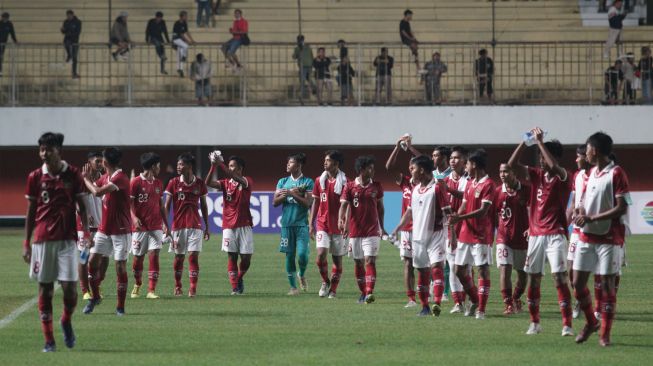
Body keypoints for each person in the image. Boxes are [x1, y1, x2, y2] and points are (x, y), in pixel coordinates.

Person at [24, 132, 88, 352]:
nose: (43, 153)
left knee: (70, 291)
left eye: (48, 149)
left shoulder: (73, 174)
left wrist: (86, 232)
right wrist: (26, 243)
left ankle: (66, 320)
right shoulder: (34, 177)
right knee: (46, 291)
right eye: (41, 149)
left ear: (58, 150)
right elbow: (31, 211)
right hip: (42, 241)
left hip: (67, 241)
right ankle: (49, 340)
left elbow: (82, 204)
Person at [507, 127, 574, 337]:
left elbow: (553, 165)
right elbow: (511, 166)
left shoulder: (564, 176)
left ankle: (567, 325)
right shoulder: (536, 175)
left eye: (543, 157)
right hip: (536, 235)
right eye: (540, 157)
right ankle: (535, 323)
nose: (541, 161)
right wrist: (525, 141)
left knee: (559, 278)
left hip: (555, 233)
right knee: (534, 279)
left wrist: (540, 142)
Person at [572, 132, 630, 347]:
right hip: (587, 235)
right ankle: (591, 322)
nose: (584, 153)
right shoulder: (590, 173)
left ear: (594, 150)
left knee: (606, 287)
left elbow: (622, 207)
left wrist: (592, 217)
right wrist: (579, 211)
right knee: (577, 284)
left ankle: (605, 334)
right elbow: (585, 201)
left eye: (587, 149)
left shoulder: (616, 173)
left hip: (608, 238)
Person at [392, 156, 448, 317]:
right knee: (422, 272)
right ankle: (425, 306)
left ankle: (436, 302)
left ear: (422, 170)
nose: (411, 171)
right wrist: (397, 228)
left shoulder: (437, 188)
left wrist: (452, 234)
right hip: (418, 237)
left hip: (436, 235)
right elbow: (409, 212)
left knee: (436, 268)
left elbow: (447, 212)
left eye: (413, 168)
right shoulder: (415, 189)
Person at [82, 148, 132, 316]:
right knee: (92, 262)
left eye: (102, 159)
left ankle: (120, 307)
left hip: (121, 231)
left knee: (120, 267)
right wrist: (84, 181)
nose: (101, 162)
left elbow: (96, 192)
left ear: (106, 162)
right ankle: (95, 297)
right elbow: (89, 188)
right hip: (104, 230)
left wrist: (85, 179)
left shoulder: (120, 178)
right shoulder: (106, 177)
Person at [449, 149, 495, 320]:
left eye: (467, 163)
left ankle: (481, 310)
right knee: (459, 270)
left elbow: (483, 211)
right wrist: (456, 220)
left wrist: (460, 216)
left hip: (481, 236)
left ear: (474, 164)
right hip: (465, 234)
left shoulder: (488, 184)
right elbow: (464, 204)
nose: (465, 166)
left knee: (482, 270)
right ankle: (475, 299)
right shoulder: (469, 183)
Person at [339, 156, 386, 304]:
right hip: (355, 230)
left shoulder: (377, 186)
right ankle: (363, 292)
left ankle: (369, 292)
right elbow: (344, 206)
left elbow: (380, 208)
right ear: (361, 170)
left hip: (372, 231)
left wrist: (382, 227)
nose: (373, 171)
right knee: (358, 262)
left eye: (373, 168)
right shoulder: (350, 186)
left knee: (369, 260)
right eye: (370, 168)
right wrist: (342, 220)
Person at [205, 154, 253, 295]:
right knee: (232, 256)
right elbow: (208, 182)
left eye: (233, 166)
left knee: (246, 258)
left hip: (245, 224)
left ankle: (239, 278)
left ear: (240, 168)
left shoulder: (246, 181)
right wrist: (214, 165)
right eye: (230, 165)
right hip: (228, 225)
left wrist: (221, 164)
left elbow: (235, 176)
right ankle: (234, 288)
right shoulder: (225, 183)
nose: (230, 168)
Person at [164, 153, 209, 297]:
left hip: (195, 226)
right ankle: (178, 285)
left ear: (189, 166)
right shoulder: (173, 183)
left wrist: (207, 226)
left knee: (193, 256)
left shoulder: (200, 183)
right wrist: (165, 225)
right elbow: (166, 206)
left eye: (181, 164)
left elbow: (204, 206)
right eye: (177, 164)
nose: (178, 167)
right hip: (178, 226)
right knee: (179, 258)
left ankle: (193, 288)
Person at [129, 153, 170, 300]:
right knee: (138, 259)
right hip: (140, 228)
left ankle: (151, 290)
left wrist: (166, 225)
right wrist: (134, 218)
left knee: (154, 255)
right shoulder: (135, 182)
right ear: (153, 166)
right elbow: (128, 204)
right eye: (158, 166)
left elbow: (161, 206)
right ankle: (137, 284)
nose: (160, 168)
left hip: (156, 227)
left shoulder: (159, 183)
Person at [385, 135, 419, 308]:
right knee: (408, 263)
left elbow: (425, 160)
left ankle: (429, 295)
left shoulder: (428, 184)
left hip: (423, 229)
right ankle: (411, 298)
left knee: (423, 265)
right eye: (411, 166)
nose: (413, 169)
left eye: (416, 166)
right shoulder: (405, 182)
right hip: (407, 229)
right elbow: (389, 167)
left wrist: (411, 148)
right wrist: (397, 147)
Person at [274, 154, 315, 295]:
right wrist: (285, 195)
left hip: (302, 225)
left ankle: (301, 274)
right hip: (287, 225)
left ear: (298, 165)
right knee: (289, 256)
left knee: (303, 255)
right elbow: (275, 202)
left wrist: (292, 193)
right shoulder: (282, 182)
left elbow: (308, 203)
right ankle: (293, 288)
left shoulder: (308, 182)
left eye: (290, 163)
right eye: (288, 162)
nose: (287, 165)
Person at [310, 150, 347, 299]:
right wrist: (311, 223)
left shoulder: (345, 182)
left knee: (337, 261)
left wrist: (346, 222)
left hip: (339, 226)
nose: (325, 162)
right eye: (324, 160)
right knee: (320, 255)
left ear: (336, 164)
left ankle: (333, 290)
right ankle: (325, 282)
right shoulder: (319, 180)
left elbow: (348, 204)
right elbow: (316, 202)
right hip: (322, 223)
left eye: (328, 160)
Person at [495, 163, 529, 315]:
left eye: (506, 171)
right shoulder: (498, 192)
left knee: (522, 274)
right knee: (505, 269)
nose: (503, 174)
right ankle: (508, 303)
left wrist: (531, 228)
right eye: (501, 171)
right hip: (504, 238)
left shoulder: (527, 190)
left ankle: (516, 298)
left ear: (514, 173)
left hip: (523, 239)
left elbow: (535, 210)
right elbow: (494, 213)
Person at [441, 146, 471, 314]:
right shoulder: (445, 180)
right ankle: (458, 302)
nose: (453, 160)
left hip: (466, 228)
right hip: (449, 228)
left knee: (466, 268)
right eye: (451, 158)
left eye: (457, 158)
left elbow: (466, 196)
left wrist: (449, 190)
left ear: (465, 161)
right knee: (452, 265)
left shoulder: (469, 180)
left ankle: (469, 300)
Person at [75, 152, 105, 301]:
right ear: (89, 162)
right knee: (84, 257)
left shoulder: (104, 179)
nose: (100, 164)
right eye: (97, 161)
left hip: (102, 226)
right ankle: (85, 290)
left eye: (102, 162)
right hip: (84, 226)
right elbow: (77, 201)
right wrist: (83, 215)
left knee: (103, 259)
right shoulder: (81, 179)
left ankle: (96, 285)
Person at [567, 145, 591, 319]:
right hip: (576, 229)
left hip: (592, 229)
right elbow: (574, 200)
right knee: (570, 269)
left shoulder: (598, 176)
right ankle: (579, 300)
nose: (576, 160)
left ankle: (589, 305)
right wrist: (572, 211)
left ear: (587, 156)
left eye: (578, 156)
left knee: (589, 272)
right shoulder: (577, 176)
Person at [293, 35, 316, 101]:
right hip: (306, 65)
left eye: (299, 40)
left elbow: (295, 56)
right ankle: (313, 88)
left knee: (304, 79)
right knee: (306, 79)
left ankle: (303, 94)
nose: (299, 41)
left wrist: (294, 55)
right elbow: (311, 56)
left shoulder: (302, 47)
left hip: (305, 65)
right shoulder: (303, 48)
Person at [172, 11, 195, 78]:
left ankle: (180, 69)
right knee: (186, 46)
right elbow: (181, 34)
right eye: (185, 16)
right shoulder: (177, 23)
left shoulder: (184, 23)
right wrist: (188, 41)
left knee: (180, 55)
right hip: (176, 39)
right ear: (181, 16)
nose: (186, 17)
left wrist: (192, 40)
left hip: (181, 40)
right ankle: (184, 57)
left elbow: (186, 32)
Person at [61, 10, 81, 79]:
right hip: (68, 40)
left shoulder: (78, 22)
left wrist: (69, 33)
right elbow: (64, 31)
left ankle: (74, 73)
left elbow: (77, 32)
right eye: (67, 16)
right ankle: (69, 55)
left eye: (69, 16)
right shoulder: (66, 22)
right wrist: (62, 30)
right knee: (66, 44)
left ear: (72, 15)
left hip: (75, 41)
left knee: (75, 58)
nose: (68, 17)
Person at [0, 12, 18, 76]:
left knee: (1, 56)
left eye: (6, 18)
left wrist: (15, 41)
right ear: (2, 18)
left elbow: (12, 33)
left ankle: (0, 71)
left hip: (3, 43)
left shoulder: (9, 24)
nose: (5, 19)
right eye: (3, 18)